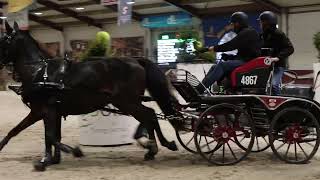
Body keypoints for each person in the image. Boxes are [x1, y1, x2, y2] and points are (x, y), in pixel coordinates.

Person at [196, 12, 262, 94]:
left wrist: (212, 48)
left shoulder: (248, 32)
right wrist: (229, 57)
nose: (232, 26)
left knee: (222, 65)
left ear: (237, 23)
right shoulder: (247, 32)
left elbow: (230, 45)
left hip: (249, 62)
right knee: (214, 67)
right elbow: (244, 53)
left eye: (232, 24)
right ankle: (199, 88)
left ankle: (199, 90)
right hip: (246, 60)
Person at [258, 11, 294, 95]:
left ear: (266, 22)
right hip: (265, 65)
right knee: (260, 86)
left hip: (278, 65)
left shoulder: (279, 34)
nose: (260, 24)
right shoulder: (262, 35)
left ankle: (280, 105)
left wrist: (277, 58)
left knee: (274, 85)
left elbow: (290, 48)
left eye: (261, 22)